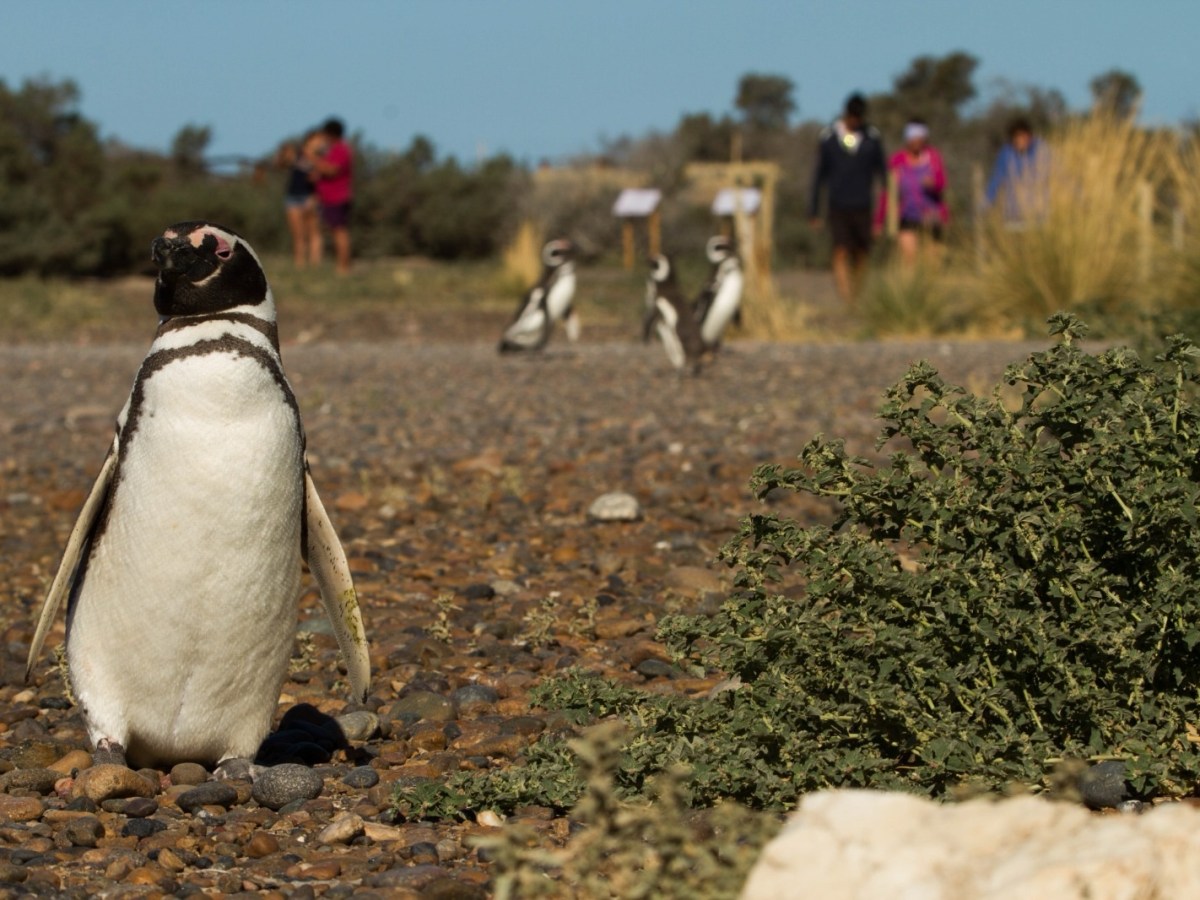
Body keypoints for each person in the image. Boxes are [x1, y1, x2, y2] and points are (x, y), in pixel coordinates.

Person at [810, 93, 887, 305]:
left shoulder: (872, 138)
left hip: (863, 205)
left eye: (858, 117)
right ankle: (846, 298)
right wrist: (814, 210)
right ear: (845, 114)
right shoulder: (829, 137)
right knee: (841, 249)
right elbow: (819, 176)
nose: (854, 121)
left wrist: (884, 211)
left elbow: (883, 174)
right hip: (838, 205)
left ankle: (857, 293)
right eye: (851, 116)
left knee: (862, 252)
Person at [875, 119, 948, 266]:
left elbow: (942, 183)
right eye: (912, 136)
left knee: (933, 262)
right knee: (909, 259)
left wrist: (933, 184)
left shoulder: (933, 157)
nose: (916, 140)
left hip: (931, 215)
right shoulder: (897, 160)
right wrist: (879, 220)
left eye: (920, 136)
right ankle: (911, 287)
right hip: (907, 215)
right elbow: (888, 192)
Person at [985, 117, 1045, 225]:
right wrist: (985, 204)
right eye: (1016, 137)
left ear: (1029, 135)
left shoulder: (1042, 150)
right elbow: (996, 180)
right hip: (1013, 213)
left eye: (1023, 136)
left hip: (1038, 212)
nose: (1020, 140)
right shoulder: (1006, 154)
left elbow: (1061, 175)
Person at [313, 117, 353, 275]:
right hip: (329, 197)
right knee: (336, 231)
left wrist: (315, 160)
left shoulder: (341, 150)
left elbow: (332, 170)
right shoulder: (333, 150)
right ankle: (341, 265)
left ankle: (343, 267)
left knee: (339, 231)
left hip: (337, 197)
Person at [277, 131, 323, 268]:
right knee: (298, 234)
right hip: (293, 196)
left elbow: (319, 177)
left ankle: (315, 264)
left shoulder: (321, 158)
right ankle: (300, 264)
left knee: (314, 232)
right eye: (318, 140)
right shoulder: (297, 154)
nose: (320, 143)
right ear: (310, 140)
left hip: (311, 197)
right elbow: (281, 163)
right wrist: (283, 153)